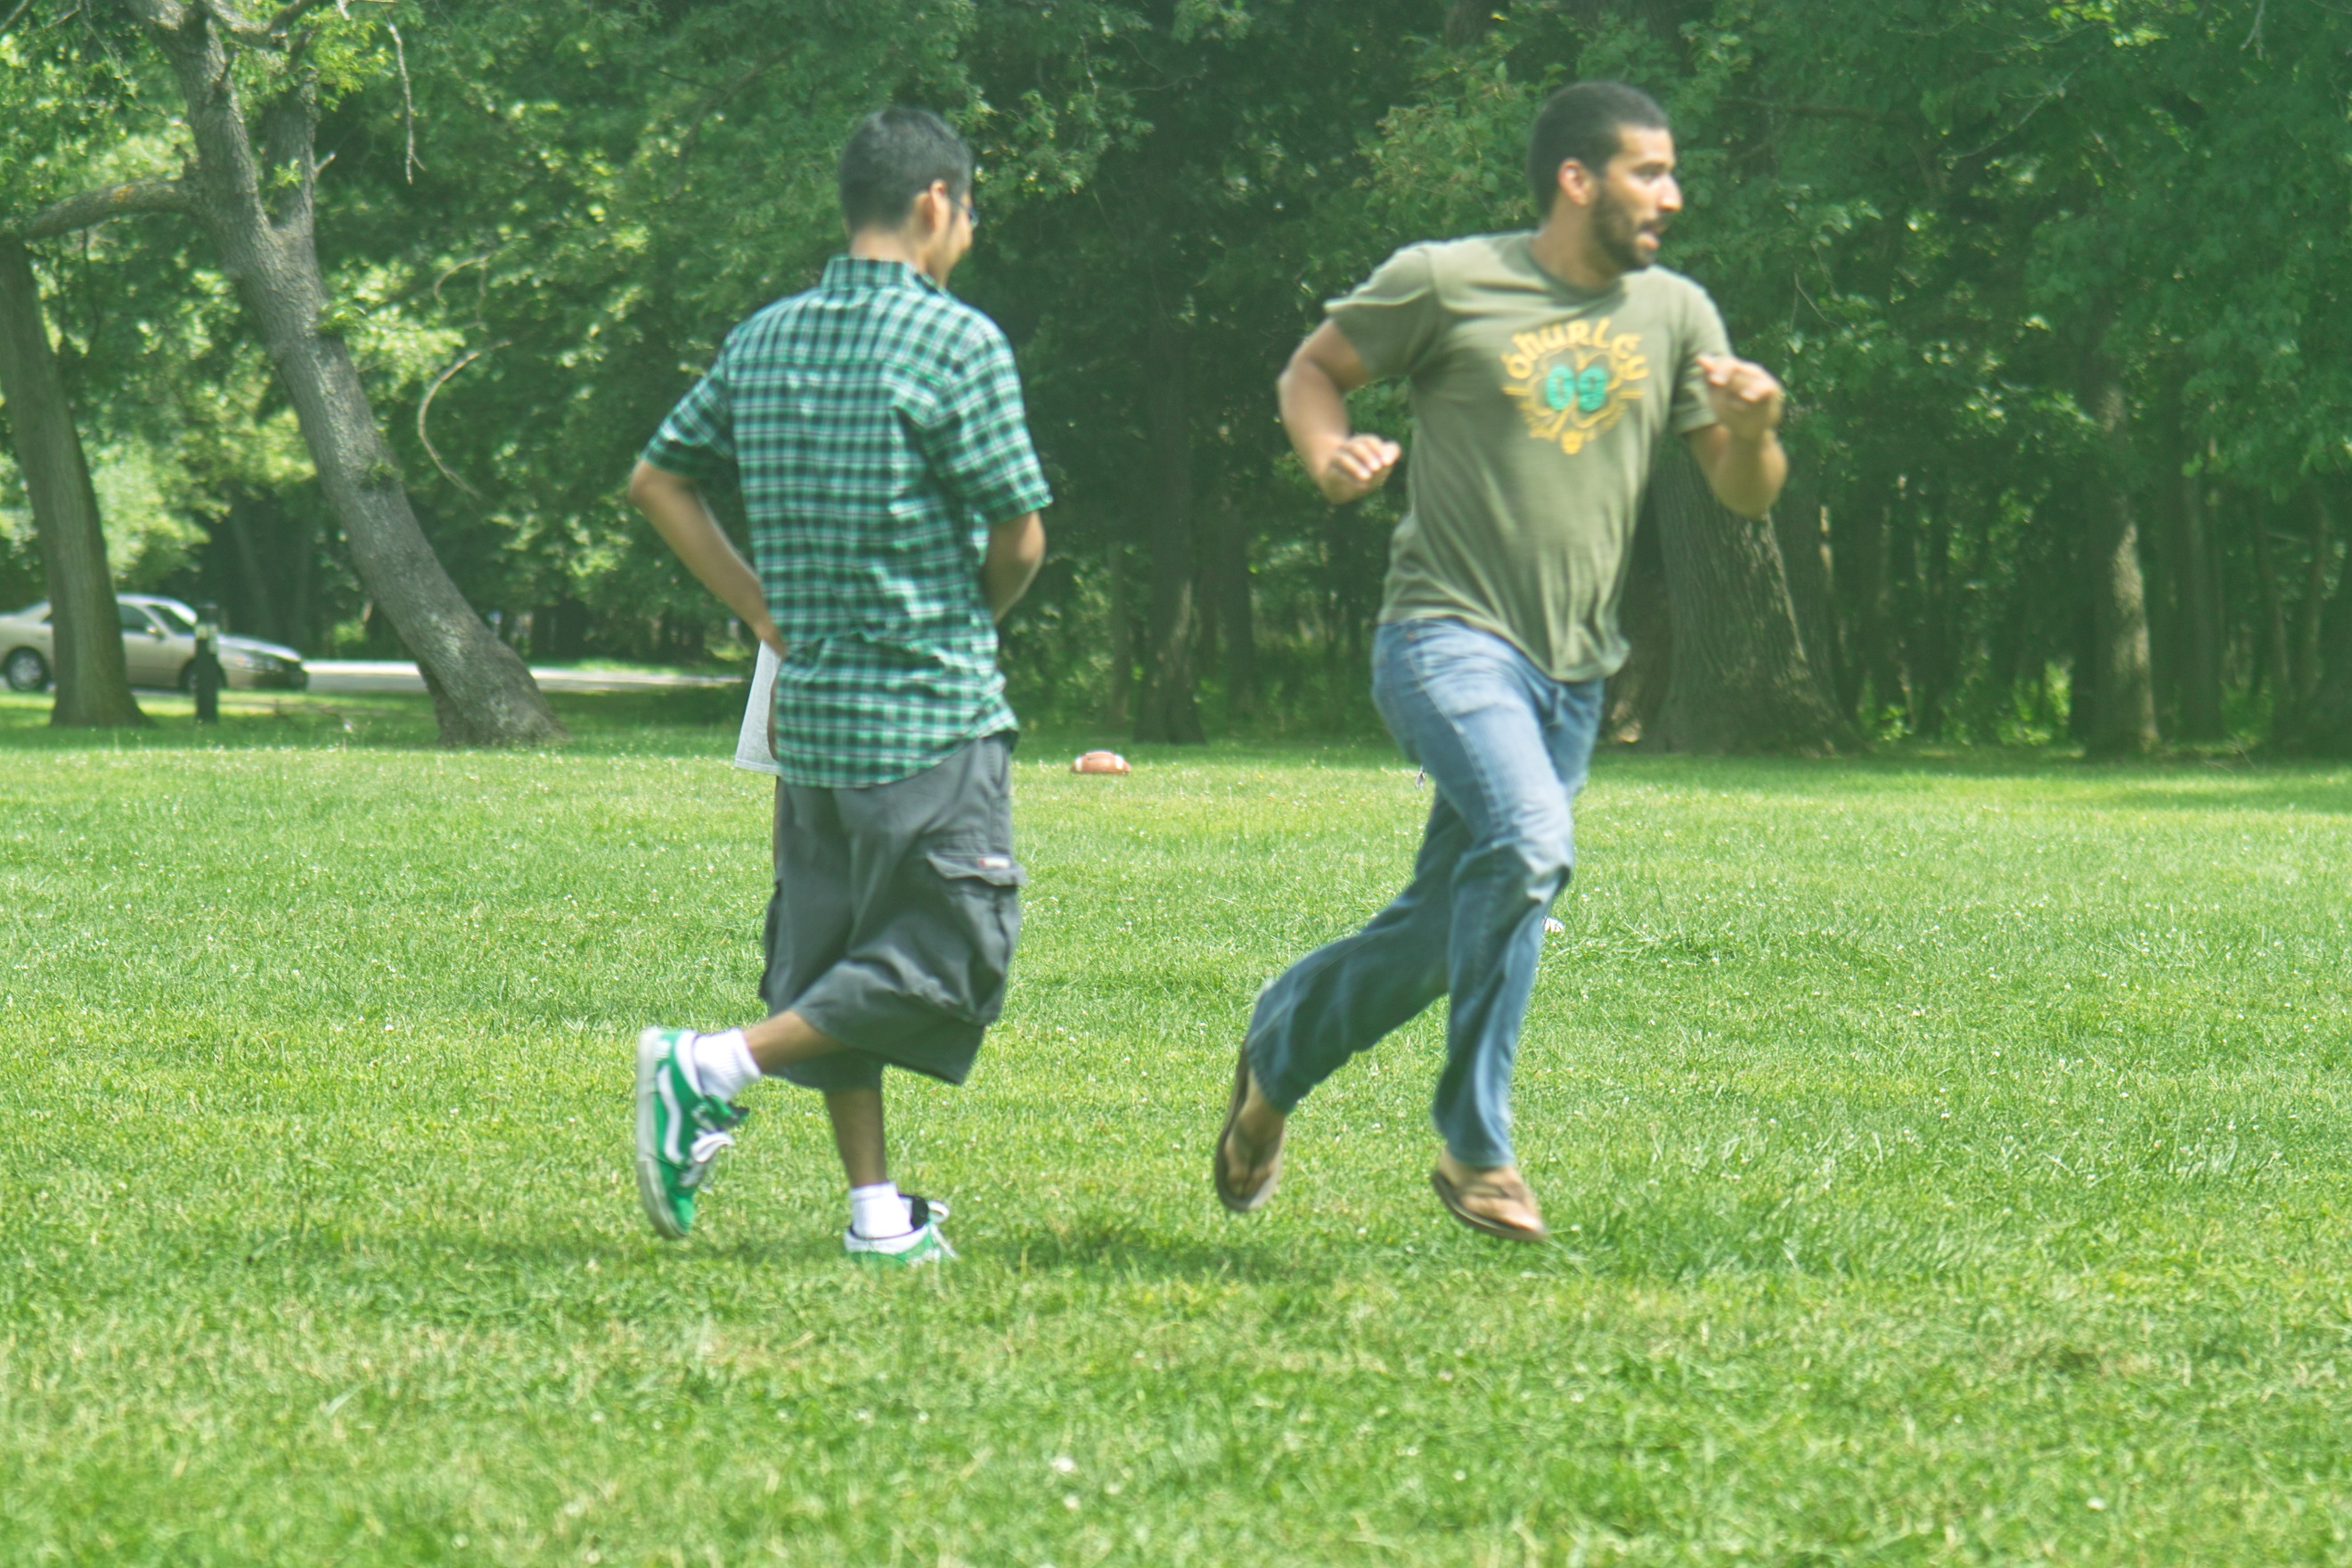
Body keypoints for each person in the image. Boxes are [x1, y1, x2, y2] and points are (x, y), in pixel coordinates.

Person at [1213, 81, 1786, 1242]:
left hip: (1573, 676)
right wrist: (1327, 454)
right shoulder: (1446, 281)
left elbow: (1741, 492)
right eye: (1648, 172)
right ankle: (1476, 1149)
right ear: (1577, 179)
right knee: (1529, 845)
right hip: (1443, 638)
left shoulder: (1675, 313)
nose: (1672, 195)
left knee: (1447, 927)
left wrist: (1760, 431)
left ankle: (1276, 1057)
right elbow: (1313, 371)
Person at [627, 106, 1051, 1266]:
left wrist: (757, 606)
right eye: (969, 210)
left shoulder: (765, 339)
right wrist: (974, 620)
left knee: (832, 966)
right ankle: (709, 1066)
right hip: (929, 714)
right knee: (951, 959)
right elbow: (1020, 536)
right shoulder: (956, 343)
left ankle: (876, 1215)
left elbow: (658, 481)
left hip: (808, 719)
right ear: (935, 204)